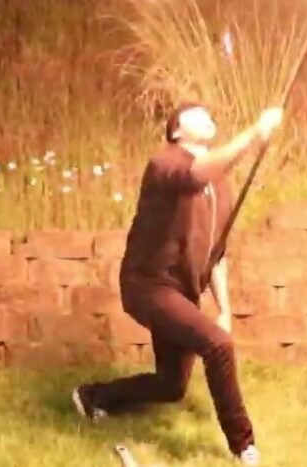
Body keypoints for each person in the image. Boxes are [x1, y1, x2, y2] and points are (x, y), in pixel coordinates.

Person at [72, 101, 283, 466]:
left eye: (208, 114)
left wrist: (225, 310)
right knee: (218, 346)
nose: (206, 116)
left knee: (172, 386)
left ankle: (93, 396)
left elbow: (216, 253)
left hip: (182, 294)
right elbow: (195, 174)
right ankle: (243, 445)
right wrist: (254, 133)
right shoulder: (165, 164)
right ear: (176, 130)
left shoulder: (220, 185)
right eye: (194, 114)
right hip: (148, 285)